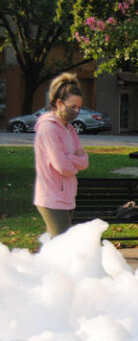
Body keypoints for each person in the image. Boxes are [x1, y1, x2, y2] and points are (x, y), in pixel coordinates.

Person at [33, 72, 89, 237]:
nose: (77, 111)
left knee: (58, 247)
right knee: (61, 248)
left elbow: (85, 161)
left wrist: (71, 158)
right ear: (59, 103)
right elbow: (63, 167)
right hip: (51, 197)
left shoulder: (70, 129)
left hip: (68, 197)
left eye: (79, 107)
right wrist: (75, 159)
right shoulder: (48, 128)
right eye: (73, 106)